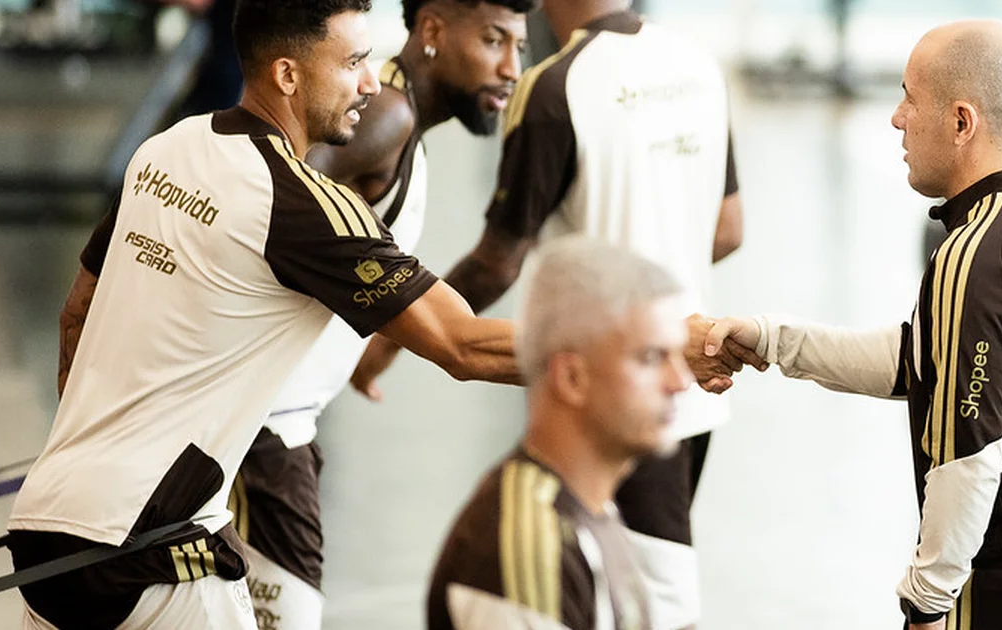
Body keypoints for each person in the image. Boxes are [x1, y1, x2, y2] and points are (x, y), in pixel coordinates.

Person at [4, 0, 521, 627]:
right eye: (353, 63)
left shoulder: (166, 149)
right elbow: (463, 345)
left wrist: (100, 444)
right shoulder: (302, 203)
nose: (369, 81)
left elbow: (76, 309)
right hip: (154, 547)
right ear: (287, 75)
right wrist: (614, 354)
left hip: (45, 523)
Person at [705, 20, 1002, 630]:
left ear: (962, 122)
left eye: (910, 99)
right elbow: (926, 358)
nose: (897, 119)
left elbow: (969, 459)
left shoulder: (980, 256)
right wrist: (774, 340)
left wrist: (926, 601)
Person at [351, 2, 756, 626]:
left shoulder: (553, 87)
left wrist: (387, 341)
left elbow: (498, 263)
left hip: (616, 391)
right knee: (630, 594)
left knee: (638, 602)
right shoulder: (697, 62)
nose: (510, 61)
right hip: (691, 385)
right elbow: (727, 231)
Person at [232, 1, 533, 627]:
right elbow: (266, 215)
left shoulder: (396, 119)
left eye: (519, 48)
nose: (511, 68)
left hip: (277, 426)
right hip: (258, 432)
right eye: (493, 41)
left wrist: (368, 349)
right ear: (433, 31)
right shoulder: (385, 115)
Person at [427, 236, 689, 630]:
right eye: (651, 358)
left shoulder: (593, 513)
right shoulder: (527, 546)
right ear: (571, 378)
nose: (680, 381)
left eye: (679, 355)